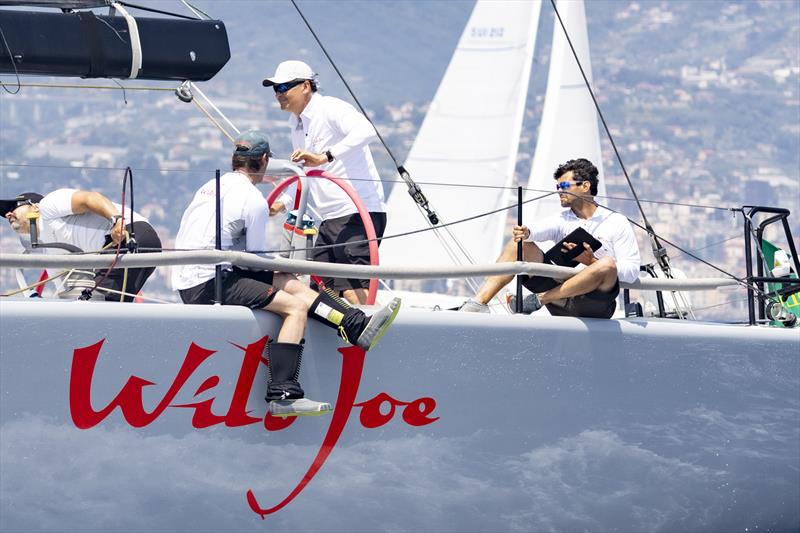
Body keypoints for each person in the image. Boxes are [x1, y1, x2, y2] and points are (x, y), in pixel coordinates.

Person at [171, 130, 401, 418]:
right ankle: (283, 393)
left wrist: (283, 269)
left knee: (289, 283)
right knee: (294, 307)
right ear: (264, 160)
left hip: (195, 275)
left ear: (236, 160)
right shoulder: (252, 199)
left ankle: (355, 326)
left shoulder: (213, 184)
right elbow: (255, 261)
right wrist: (286, 262)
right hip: (209, 282)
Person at [262, 60, 388, 305]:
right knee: (324, 290)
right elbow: (305, 172)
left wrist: (325, 156)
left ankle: (372, 335)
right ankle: (341, 338)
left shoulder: (329, 108)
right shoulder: (296, 125)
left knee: (353, 290)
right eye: (275, 89)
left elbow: (366, 130)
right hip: (330, 219)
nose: (279, 94)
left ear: (306, 86)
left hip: (358, 213)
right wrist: (281, 205)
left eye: (284, 87)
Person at [459, 158, 640, 319]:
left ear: (585, 186)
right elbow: (537, 230)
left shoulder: (616, 222)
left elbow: (631, 272)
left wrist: (591, 262)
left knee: (606, 264)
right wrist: (526, 232)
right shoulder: (561, 219)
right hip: (562, 296)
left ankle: (539, 299)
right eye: (557, 187)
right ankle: (478, 305)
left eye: (564, 186)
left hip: (594, 303)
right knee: (519, 244)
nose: (559, 191)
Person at [1, 189, 162, 301]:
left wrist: (117, 220)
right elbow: (65, 292)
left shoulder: (48, 205)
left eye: (15, 207)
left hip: (130, 234)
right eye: (6, 213)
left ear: (34, 206)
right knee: (99, 308)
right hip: (113, 255)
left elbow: (89, 199)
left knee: (98, 307)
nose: (8, 214)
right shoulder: (49, 254)